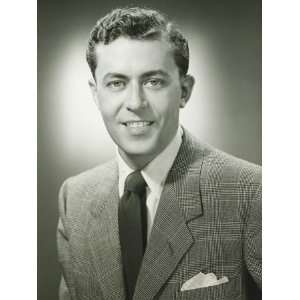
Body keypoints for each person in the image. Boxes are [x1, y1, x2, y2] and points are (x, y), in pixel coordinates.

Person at [57, 6, 261, 300]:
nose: (135, 102)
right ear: (95, 93)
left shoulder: (252, 193)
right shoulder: (73, 198)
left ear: (184, 91)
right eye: (116, 83)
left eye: (153, 82)